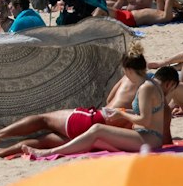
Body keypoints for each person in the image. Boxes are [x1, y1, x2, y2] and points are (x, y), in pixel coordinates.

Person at [22, 56, 175, 158]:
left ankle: (48, 152)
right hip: (151, 137)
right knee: (95, 141)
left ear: (129, 70)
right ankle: (49, 151)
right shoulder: (151, 84)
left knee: (97, 130)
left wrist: (121, 115)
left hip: (149, 139)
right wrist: (121, 111)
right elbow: (150, 115)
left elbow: (145, 120)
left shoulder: (145, 88)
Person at [0, 106, 139, 158]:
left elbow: (111, 100)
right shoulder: (150, 127)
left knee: (43, 120)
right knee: (43, 141)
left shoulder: (139, 85)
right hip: (95, 139)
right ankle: (0, 152)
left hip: (92, 120)